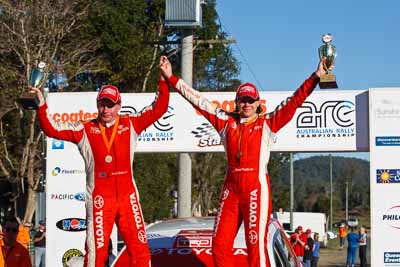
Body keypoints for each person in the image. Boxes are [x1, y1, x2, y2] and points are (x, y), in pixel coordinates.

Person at [161, 56, 326, 267]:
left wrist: (316, 76)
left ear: (258, 103)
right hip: (231, 192)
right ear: (237, 102)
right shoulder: (226, 122)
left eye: (250, 100)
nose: (246, 104)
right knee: (219, 246)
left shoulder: (267, 123)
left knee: (255, 247)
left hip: (256, 190)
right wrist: (172, 78)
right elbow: (197, 99)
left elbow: (295, 101)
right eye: (243, 100)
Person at [29, 56, 170, 267]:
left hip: (127, 197)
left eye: (110, 105)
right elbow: (52, 129)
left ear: (119, 105)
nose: (106, 110)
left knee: (140, 251)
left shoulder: (130, 124)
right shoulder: (85, 128)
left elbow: (159, 108)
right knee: (96, 255)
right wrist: (41, 105)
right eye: (102, 104)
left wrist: (163, 80)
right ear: (97, 104)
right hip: (99, 199)